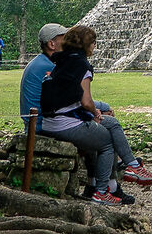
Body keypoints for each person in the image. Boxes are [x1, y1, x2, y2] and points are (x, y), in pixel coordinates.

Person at [38, 24, 129, 206]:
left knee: (109, 124)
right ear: (51, 44)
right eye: (93, 43)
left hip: (52, 119)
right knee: (106, 141)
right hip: (58, 122)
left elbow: (69, 96)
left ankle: (121, 172)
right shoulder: (75, 63)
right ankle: (103, 190)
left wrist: (94, 112)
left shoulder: (60, 61)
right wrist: (96, 110)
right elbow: (84, 100)